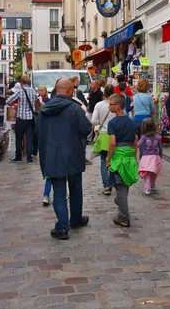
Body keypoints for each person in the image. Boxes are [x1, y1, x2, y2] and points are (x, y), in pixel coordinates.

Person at [36, 79, 92, 240]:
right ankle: (74, 219)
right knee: (75, 189)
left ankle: (62, 226)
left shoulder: (45, 109)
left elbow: (38, 132)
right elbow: (87, 129)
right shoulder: (75, 108)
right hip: (73, 153)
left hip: (52, 155)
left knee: (59, 192)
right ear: (69, 91)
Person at [106, 94, 138, 227]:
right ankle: (121, 202)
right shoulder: (131, 121)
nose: (109, 106)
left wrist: (108, 158)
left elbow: (112, 142)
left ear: (117, 106)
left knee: (120, 186)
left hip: (118, 155)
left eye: (110, 104)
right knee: (124, 184)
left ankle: (124, 217)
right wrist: (134, 157)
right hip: (129, 154)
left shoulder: (112, 123)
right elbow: (135, 140)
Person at [91, 84, 116, 195]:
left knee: (103, 161)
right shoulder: (116, 105)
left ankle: (106, 185)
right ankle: (112, 182)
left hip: (103, 135)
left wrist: (100, 123)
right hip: (115, 135)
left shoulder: (99, 105)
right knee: (113, 160)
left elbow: (93, 120)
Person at [6, 75, 38, 163]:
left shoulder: (20, 91)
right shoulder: (33, 91)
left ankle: (18, 157)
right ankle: (29, 158)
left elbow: (8, 101)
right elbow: (36, 101)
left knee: (19, 138)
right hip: (31, 118)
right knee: (29, 138)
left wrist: (18, 105)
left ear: (21, 83)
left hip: (21, 117)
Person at [137, 118, 162, 195]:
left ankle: (147, 188)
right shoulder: (157, 136)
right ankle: (152, 185)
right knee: (153, 172)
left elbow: (138, 145)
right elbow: (160, 148)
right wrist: (160, 156)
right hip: (155, 157)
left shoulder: (144, 137)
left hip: (146, 157)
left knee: (147, 173)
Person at [37, 85, 51, 205]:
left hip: (47, 148)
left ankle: (46, 195)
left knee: (49, 174)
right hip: (51, 148)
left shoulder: (47, 102)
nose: (39, 92)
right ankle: (47, 195)